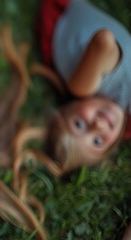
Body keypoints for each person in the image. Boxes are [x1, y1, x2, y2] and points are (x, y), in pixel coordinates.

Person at [35, 0, 130, 174]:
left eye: (79, 125)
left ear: (67, 107)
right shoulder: (123, 110)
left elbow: (104, 40)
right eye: (97, 142)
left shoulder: (83, 86)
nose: (98, 126)